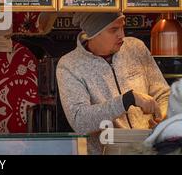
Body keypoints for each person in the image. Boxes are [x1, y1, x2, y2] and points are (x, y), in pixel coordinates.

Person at [56, 12, 170, 154]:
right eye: (113, 30)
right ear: (93, 33)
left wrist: (164, 117)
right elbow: (80, 121)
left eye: (122, 27)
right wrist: (127, 100)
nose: (121, 35)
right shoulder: (69, 65)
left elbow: (163, 93)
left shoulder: (136, 48)